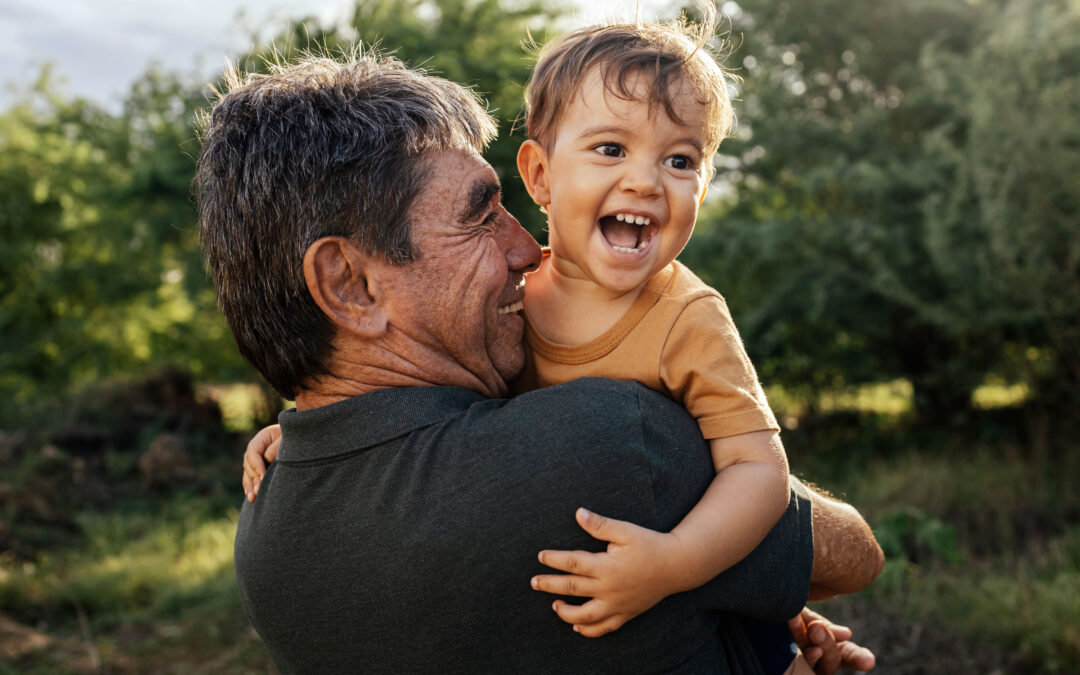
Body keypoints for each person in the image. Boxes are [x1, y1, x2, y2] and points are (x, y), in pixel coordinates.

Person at [202, 52, 882, 673]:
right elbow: (854, 553)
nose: (527, 251)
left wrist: (293, 427)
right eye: (480, 216)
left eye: (681, 161)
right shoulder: (608, 441)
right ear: (352, 285)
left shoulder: (265, 543)